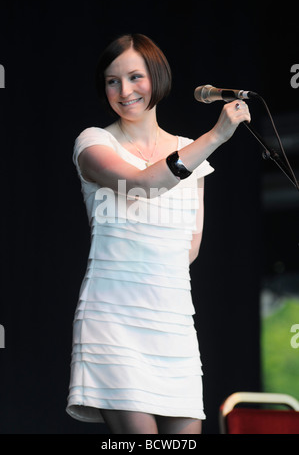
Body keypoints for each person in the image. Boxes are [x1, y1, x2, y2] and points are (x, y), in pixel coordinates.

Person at [66, 33, 251, 434]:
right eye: (112, 81)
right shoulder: (94, 142)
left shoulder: (189, 150)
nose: (125, 90)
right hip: (113, 318)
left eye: (135, 77)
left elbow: (190, 247)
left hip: (172, 321)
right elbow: (142, 184)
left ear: (157, 77)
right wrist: (216, 136)